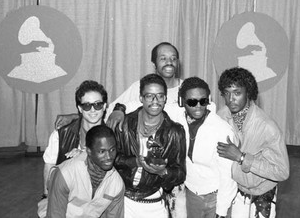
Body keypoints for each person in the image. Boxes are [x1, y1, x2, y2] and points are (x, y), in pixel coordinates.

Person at [216, 67, 289, 218]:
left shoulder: (267, 127)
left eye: (237, 93)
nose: (231, 99)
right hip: (235, 190)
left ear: (248, 92)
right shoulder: (221, 116)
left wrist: (242, 158)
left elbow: (282, 172)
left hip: (263, 193)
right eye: (227, 93)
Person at [114, 73, 186, 218]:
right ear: (141, 98)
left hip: (153, 202)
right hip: (123, 199)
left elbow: (180, 173)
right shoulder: (124, 124)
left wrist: (162, 171)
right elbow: (111, 158)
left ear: (165, 98)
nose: (155, 101)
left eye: (160, 96)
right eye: (149, 96)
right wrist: (134, 162)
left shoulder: (175, 131)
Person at [174, 77, 237, 218]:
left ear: (208, 99)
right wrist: (119, 109)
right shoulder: (178, 121)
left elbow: (228, 175)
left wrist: (221, 211)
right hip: (192, 195)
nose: (198, 106)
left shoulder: (221, 129)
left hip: (216, 197)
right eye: (191, 102)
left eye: (203, 101)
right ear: (182, 101)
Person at [42, 80, 108, 198]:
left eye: (97, 104)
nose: (93, 110)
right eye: (87, 105)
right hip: (66, 197)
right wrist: (46, 196)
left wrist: (83, 157)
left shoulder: (112, 136)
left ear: (104, 106)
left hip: (98, 199)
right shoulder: (61, 134)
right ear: (80, 108)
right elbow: (49, 165)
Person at [44, 125, 125, 218]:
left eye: (112, 150)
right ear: (89, 151)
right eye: (102, 151)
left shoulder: (116, 184)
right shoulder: (66, 174)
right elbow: (55, 214)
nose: (109, 157)